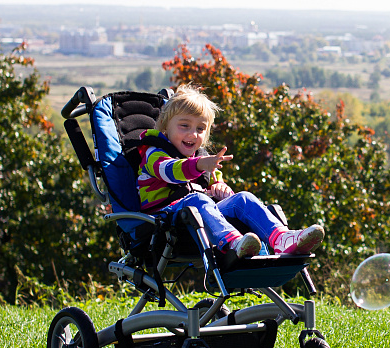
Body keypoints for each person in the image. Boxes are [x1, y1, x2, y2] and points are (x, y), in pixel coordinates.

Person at [136, 84, 324, 270]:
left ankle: (281, 238)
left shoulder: (200, 159)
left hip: (197, 216)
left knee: (243, 198)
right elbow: (171, 172)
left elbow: (214, 181)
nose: (192, 134)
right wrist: (199, 165)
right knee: (198, 199)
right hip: (165, 219)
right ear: (165, 127)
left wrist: (220, 187)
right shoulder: (154, 154)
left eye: (200, 129)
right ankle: (233, 244)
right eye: (184, 126)